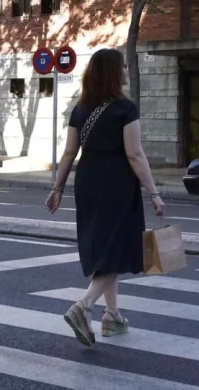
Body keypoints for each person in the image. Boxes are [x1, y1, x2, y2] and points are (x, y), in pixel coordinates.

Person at [45, 48, 165, 347]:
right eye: (123, 65)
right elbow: (135, 154)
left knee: (106, 248)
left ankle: (112, 316)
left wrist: (57, 188)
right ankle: (83, 306)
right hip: (117, 184)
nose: (126, 68)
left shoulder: (80, 108)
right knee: (119, 247)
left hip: (87, 182)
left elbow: (69, 153)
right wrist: (154, 192)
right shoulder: (125, 108)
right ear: (114, 72)